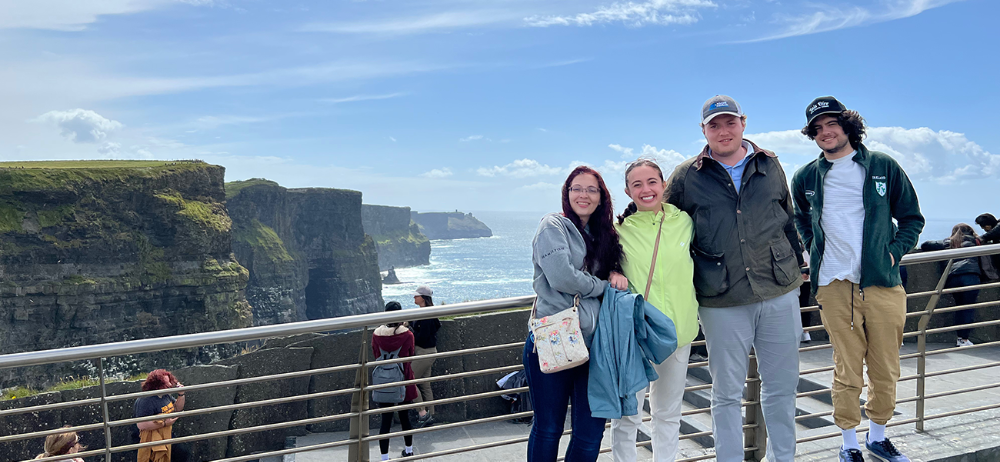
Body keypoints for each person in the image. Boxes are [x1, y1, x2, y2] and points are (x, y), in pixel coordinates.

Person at [664, 95, 805, 462]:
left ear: (743, 122)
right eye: (714, 125)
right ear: (703, 130)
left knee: (781, 389)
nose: (723, 131)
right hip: (720, 299)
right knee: (726, 394)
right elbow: (663, 227)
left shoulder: (770, 165)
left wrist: (800, 268)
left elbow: (786, 220)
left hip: (778, 290)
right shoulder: (685, 177)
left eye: (730, 122)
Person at [792, 96, 924, 462]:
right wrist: (810, 245)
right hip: (833, 285)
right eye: (817, 129)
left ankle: (877, 437)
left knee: (885, 366)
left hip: (882, 281)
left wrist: (893, 253)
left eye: (831, 124)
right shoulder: (806, 176)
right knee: (846, 367)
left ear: (847, 125)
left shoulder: (881, 166)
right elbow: (800, 218)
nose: (825, 132)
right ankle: (849, 442)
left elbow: (912, 217)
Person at [524, 165, 628, 462]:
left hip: (596, 344)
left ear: (601, 197)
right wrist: (603, 286)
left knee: (591, 431)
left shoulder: (603, 234)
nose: (583, 195)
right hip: (554, 336)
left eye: (591, 189)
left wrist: (615, 272)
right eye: (577, 188)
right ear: (566, 193)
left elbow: (609, 269)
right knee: (548, 428)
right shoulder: (552, 226)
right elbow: (561, 278)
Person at [610, 158, 699, 461]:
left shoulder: (684, 222)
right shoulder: (618, 230)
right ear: (627, 191)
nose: (646, 190)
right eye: (637, 184)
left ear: (663, 185)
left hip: (678, 332)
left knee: (668, 413)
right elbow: (596, 265)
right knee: (627, 415)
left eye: (652, 182)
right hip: (635, 335)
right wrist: (612, 273)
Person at [921, 224, 983, 347]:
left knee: (959, 307)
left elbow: (926, 245)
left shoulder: (947, 242)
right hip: (971, 276)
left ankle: (961, 339)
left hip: (953, 277)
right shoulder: (975, 241)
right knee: (967, 308)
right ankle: (963, 339)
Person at [372, 301, 420, 460]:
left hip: (384, 381)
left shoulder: (376, 334)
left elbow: (375, 355)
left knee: (385, 421)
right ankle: (408, 450)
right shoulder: (407, 334)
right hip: (403, 379)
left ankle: (384, 458)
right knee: (405, 417)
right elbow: (410, 355)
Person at [134, 369, 185, 462]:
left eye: (169, 381)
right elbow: (141, 425)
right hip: (151, 437)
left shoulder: (165, 395)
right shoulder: (145, 400)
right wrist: (164, 423)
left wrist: (181, 394)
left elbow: (177, 408)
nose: (170, 385)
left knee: (181, 453)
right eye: (165, 383)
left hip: (165, 433)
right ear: (156, 385)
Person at [409, 285, 441, 428]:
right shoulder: (428, 312)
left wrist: (409, 330)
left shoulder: (427, 314)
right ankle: (431, 415)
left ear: (423, 298)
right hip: (429, 351)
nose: (414, 297)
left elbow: (422, 337)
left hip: (424, 352)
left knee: (409, 381)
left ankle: (423, 413)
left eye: (416, 296)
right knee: (424, 384)